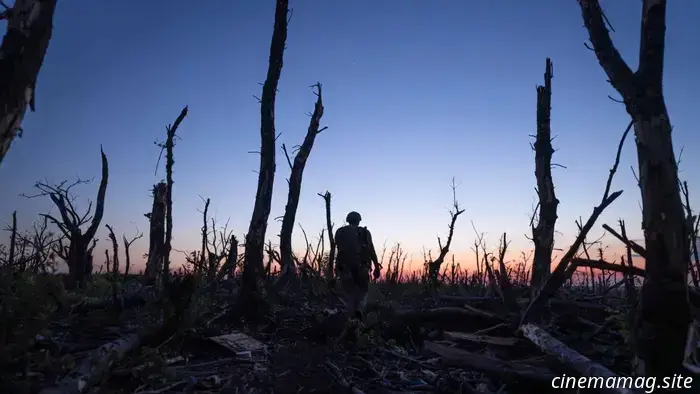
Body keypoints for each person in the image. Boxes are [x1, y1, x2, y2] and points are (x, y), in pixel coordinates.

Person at [334, 211, 381, 321]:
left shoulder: (340, 232)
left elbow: (339, 250)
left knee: (349, 292)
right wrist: (377, 267)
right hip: (362, 267)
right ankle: (359, 310)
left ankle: (351, 316)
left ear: (348, 220)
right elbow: (371, 250)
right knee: (363, 291)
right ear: (359, 220)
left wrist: (337, 267)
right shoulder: (365, 232)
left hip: (345, 267)